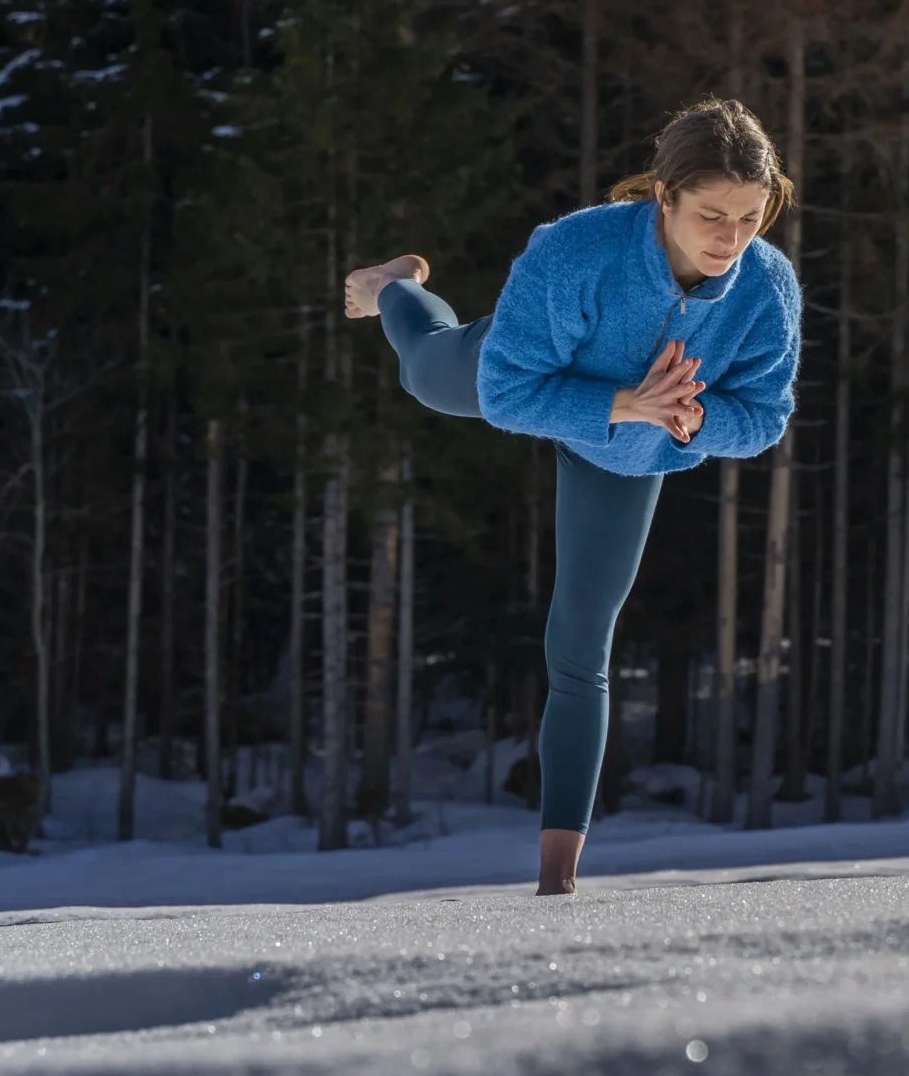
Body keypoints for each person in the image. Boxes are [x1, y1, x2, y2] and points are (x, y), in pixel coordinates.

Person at [341, 97, 800, 894]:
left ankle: (558, 879)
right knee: (424, 368)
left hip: (630, 450)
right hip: (535, 369)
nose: (730, 239)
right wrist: (629, 403)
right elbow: (512, 394)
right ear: (664, 196)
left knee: (581, 642)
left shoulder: (766, 287)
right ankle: (393, 286)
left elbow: (764, 417)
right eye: (711, 216)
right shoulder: (575, 251)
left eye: (750, 218)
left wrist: (693, 418)